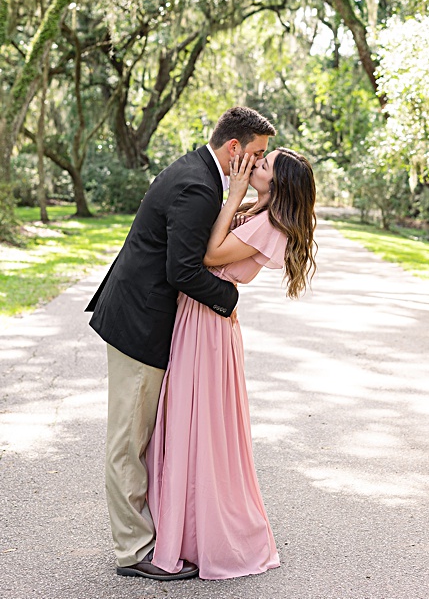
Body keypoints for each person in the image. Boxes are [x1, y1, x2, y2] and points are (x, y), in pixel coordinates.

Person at [86, 106, 276, 581]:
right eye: (256, 155)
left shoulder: (202, 174)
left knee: (142, 436)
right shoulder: (197, 185)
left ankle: (163, 532)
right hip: (140, 322)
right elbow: (185, 270)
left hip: (150, 318)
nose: (256, 164)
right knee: (129, 441)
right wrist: (229, 298)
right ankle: (134, 551)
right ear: (234, 148)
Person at [146, 145, 318, 580]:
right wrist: (240, 196)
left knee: (198, 426)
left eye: (263, 165)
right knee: (186, 421)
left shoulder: (269, 225)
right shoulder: (258, 211)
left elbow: (208, 255)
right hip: (201, 316)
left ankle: (208, 536)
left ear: (276, 184)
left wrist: (233, 191)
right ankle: (186, 530)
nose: (253, 165)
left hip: (207, 324)